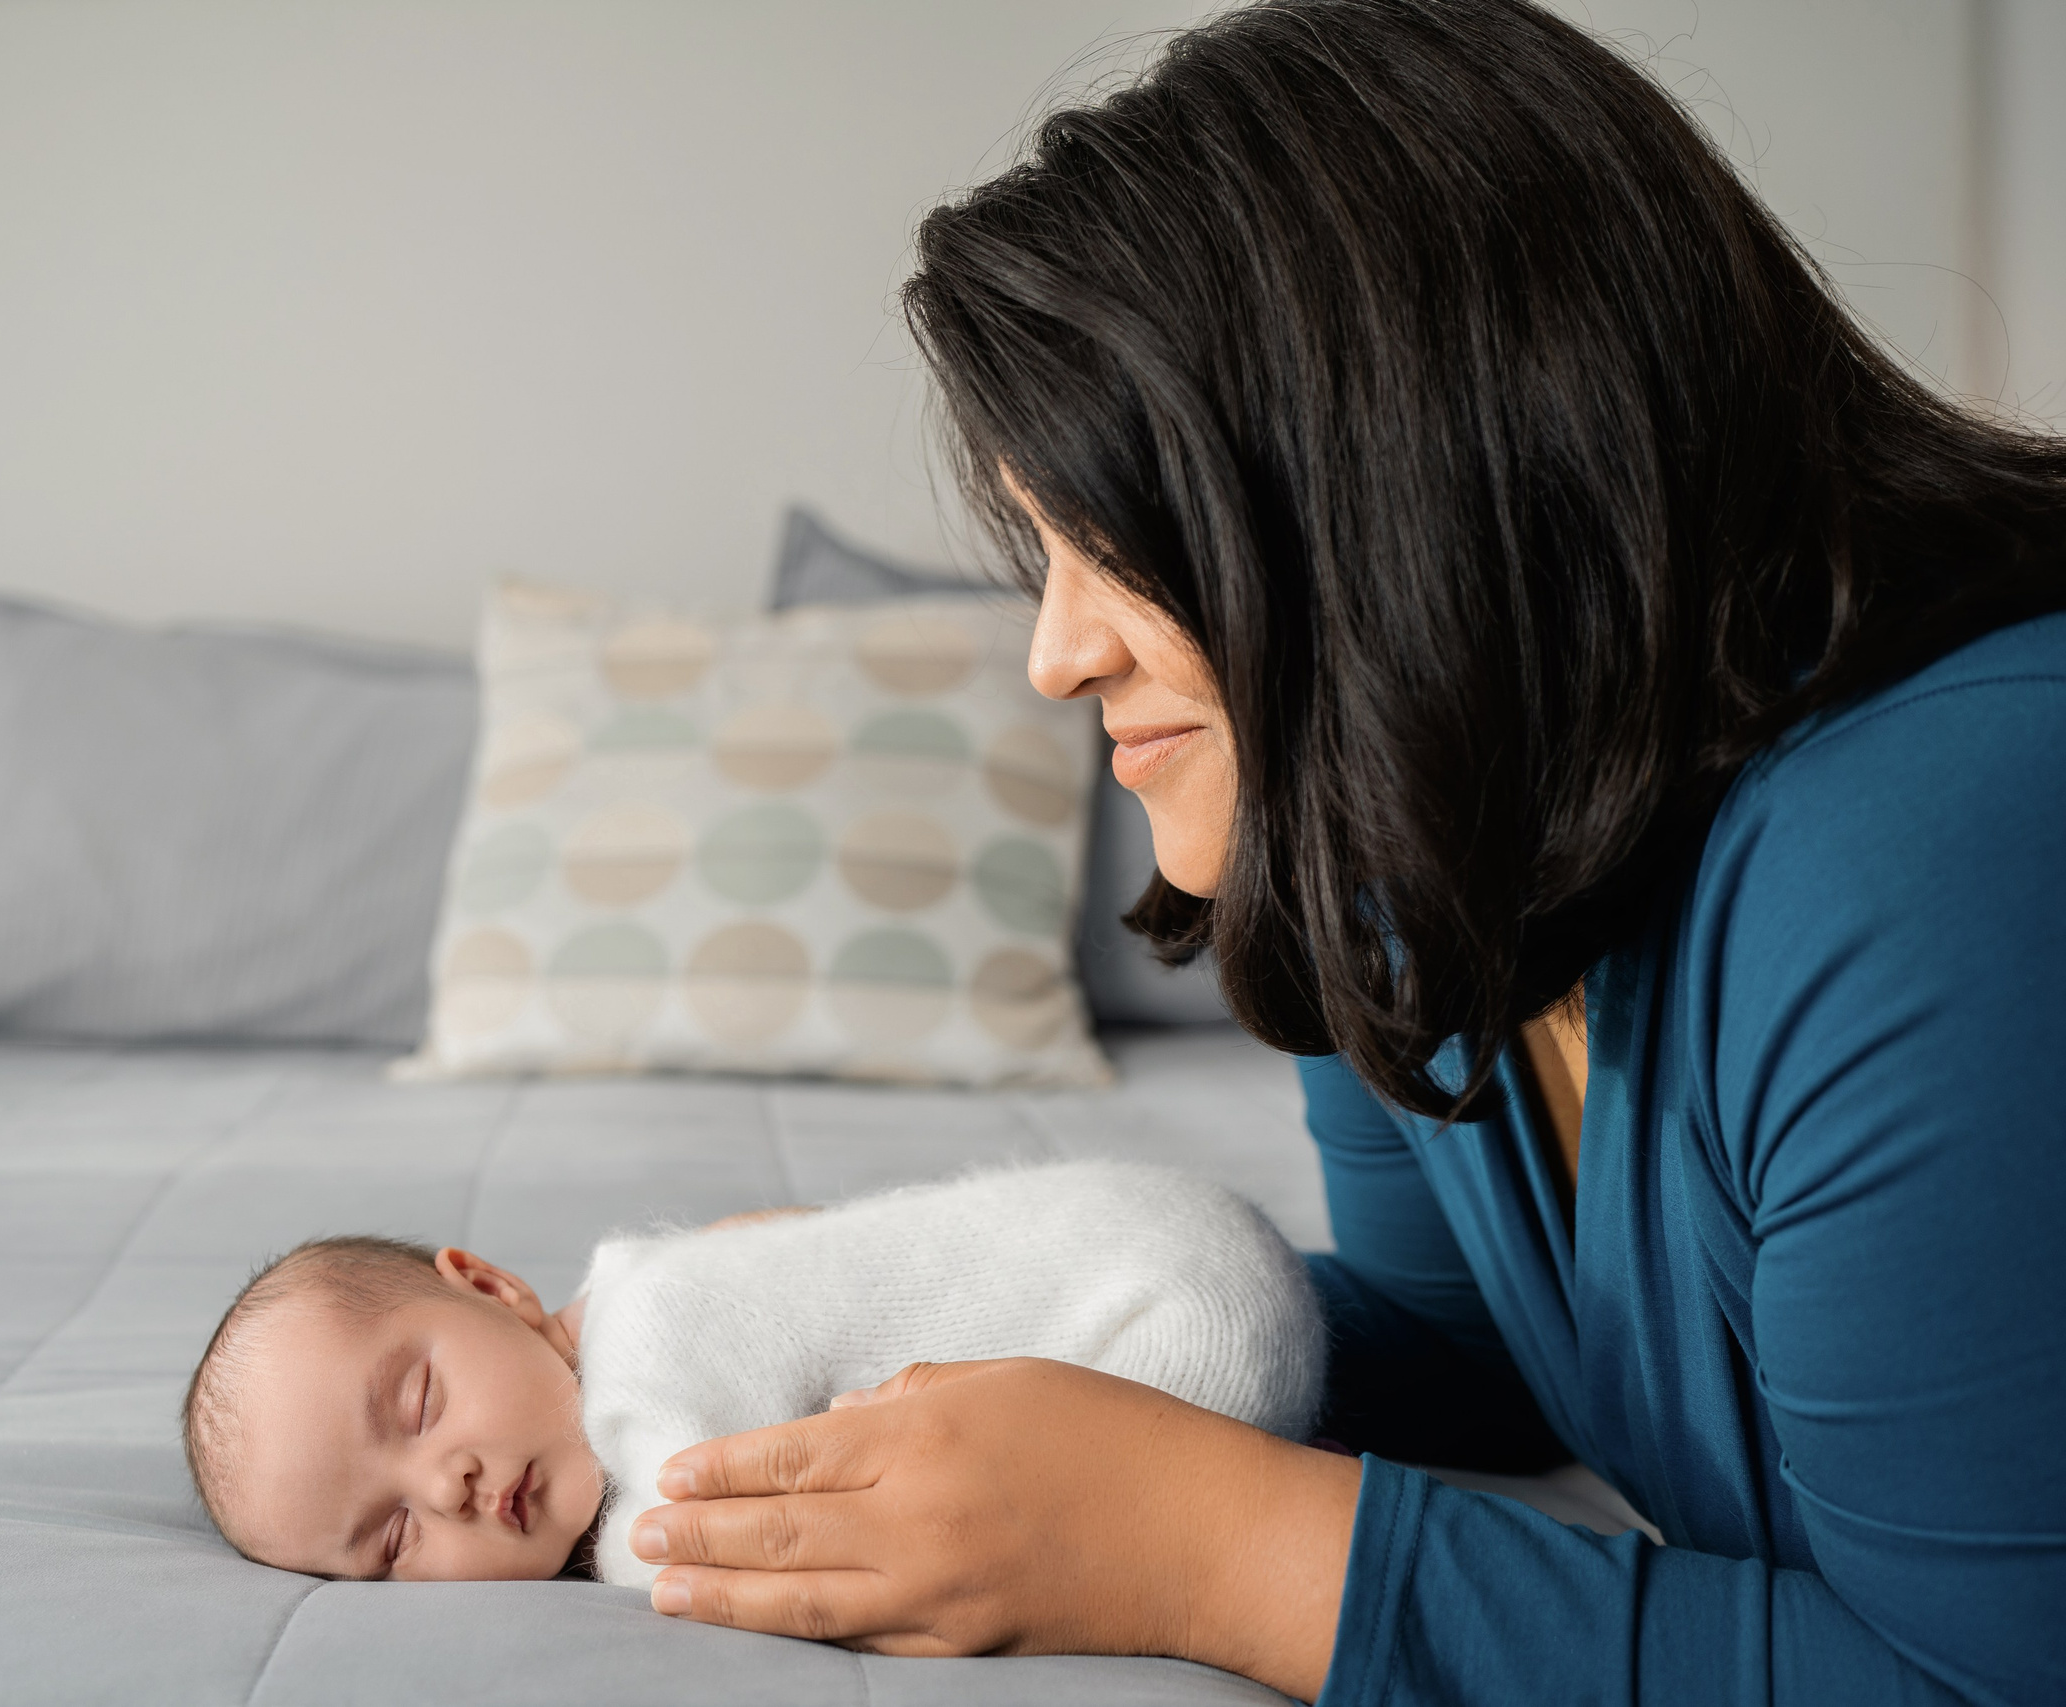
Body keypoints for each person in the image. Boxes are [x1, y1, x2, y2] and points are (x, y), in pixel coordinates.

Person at [619, 2, 2066, 1703]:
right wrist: (989, 1333)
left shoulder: (1941, 843)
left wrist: (1202, 1544)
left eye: (1115, 539)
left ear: (1399, 473)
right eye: (1040, 548)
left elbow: (1980, 1681)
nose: (1054, 652)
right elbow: (1485, 1356)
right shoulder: (1408, 873)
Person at [177, 1160, 1325, 1584]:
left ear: (490, 1289)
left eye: (421, 1403)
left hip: (1182, 1300)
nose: (447, 1486)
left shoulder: (652, 1325)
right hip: (1166, 1267)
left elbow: (690, 1530)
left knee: (1092, 1529)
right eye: (389, 1545)